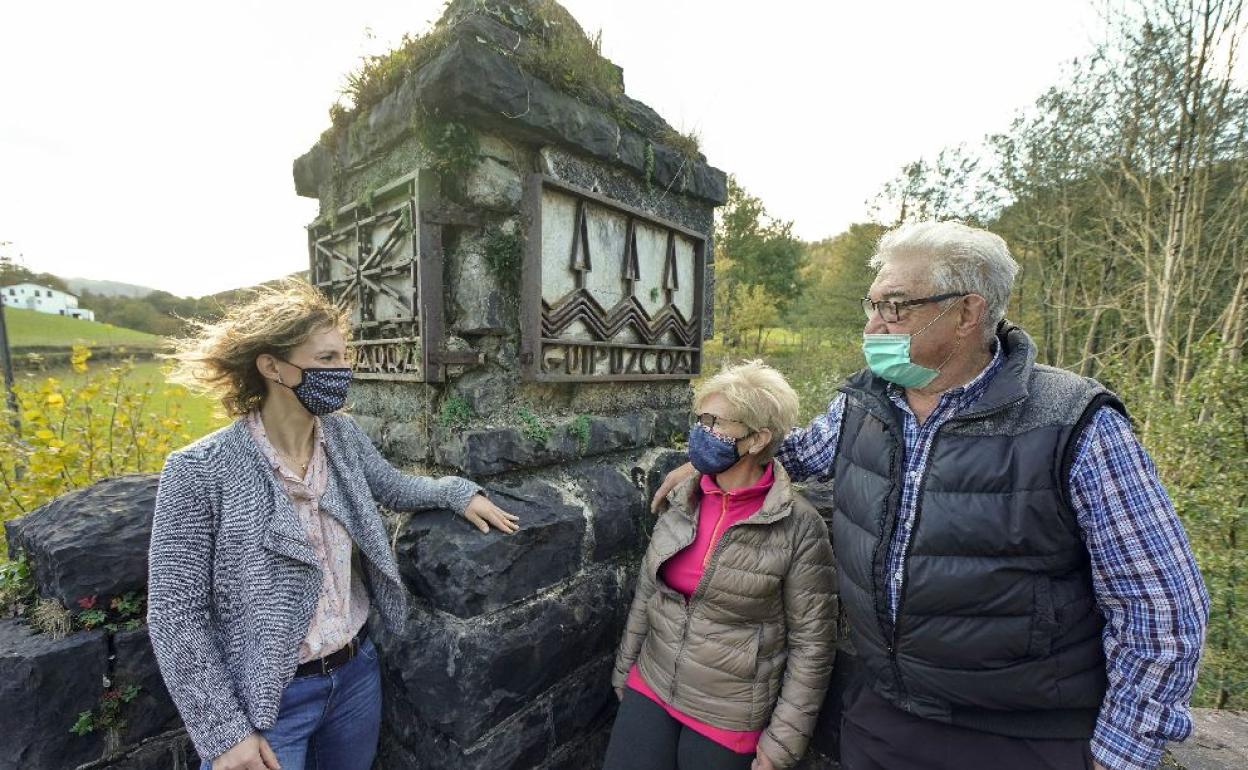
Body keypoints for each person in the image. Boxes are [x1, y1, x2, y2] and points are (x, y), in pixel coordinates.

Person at [652, 221, 1210, 770]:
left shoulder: (1072, 421)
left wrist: (1120, 754)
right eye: (870, 305)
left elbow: (1161, 604)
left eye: (895, 306)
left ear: (967, 312)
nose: (873, 325)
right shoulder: (865, 403)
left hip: (1023, 733)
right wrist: (706, 463)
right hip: (887, 715)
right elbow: (796, 453)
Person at [147, 281, 519, 770]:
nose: (341, 371)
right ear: (272, 366)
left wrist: (457, 492)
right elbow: (175, 611)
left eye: (345, 357)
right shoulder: (199, 470)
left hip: (355, 678)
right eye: (325, 358)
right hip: (267, 703)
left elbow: (393, 487)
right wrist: (222, 733)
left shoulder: (341, 436)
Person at [607, 360, 837, 770]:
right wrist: (626, 669)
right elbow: (648, 591)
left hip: (728, 715)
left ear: (757, 439)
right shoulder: (685, 498)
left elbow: (812, 645)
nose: (702, 432)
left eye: (717, 422)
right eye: (701, 418)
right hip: (652, 685)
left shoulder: (799, 526)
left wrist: (783, 740)